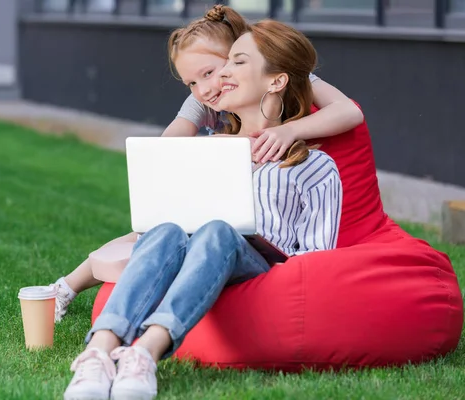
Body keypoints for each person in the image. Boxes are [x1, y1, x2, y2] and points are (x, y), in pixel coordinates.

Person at [63, 19, 343, 400]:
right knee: (164, 230)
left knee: (217, 230)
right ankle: (99, 352)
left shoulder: (315, 166)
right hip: (196, 254)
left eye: (237, 63)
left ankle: (146, 352)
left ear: (275, 81)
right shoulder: (207, 150)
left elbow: (315, 262)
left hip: (260, 266)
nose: (223, 73)